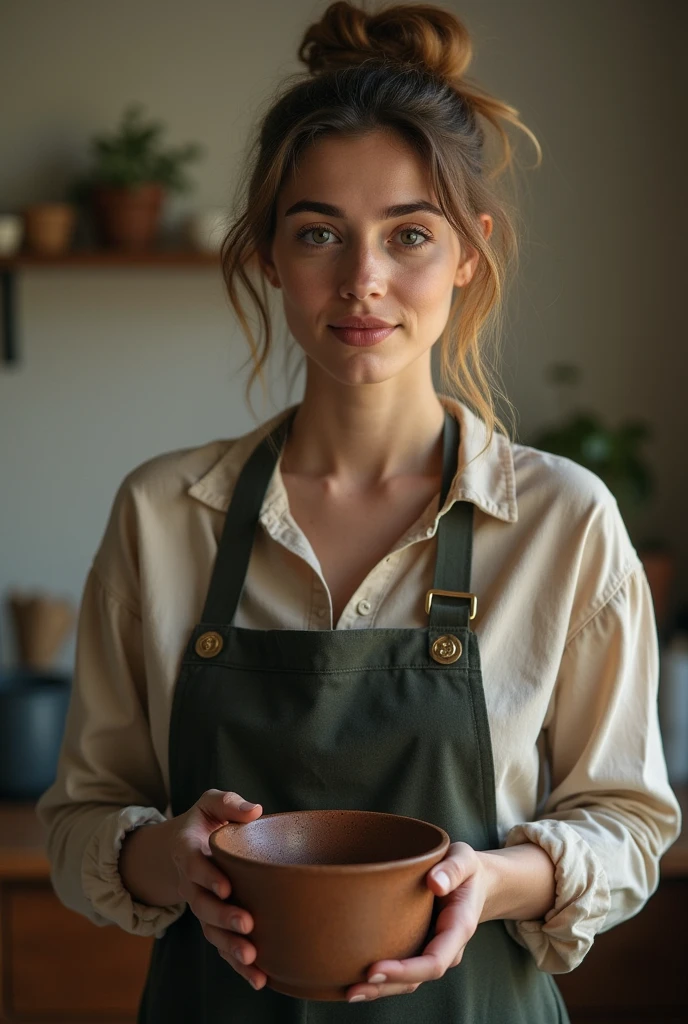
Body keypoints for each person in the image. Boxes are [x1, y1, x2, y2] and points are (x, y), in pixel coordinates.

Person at [37, 2, 681, 1021]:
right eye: (319, 233)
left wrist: (491, 882)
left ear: (470, 251)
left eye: (408, 234)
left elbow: (630, 824)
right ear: (269, 255)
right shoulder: (165, 513)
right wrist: (169, 857)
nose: (363, 281)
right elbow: (77, 821)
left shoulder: (562, 518)